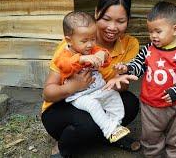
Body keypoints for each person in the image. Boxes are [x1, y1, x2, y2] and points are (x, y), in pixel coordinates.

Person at [41, 0, 140, 157]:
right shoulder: (71, 46)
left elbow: (122, 87)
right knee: (88, 123)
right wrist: (73, 86)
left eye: (120, 21)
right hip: (61, 106)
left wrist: (118, 82)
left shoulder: (130, 44)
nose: (112, 27)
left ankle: (105, 134)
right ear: (96, 13)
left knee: (130, 103)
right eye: (106, 19)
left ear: (128, 20)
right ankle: (64, 147)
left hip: (98, 94)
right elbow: (48, 94)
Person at [114, 1, 176, 157]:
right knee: (150, 137)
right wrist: (127, 68)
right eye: (150, 31)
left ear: (175, 29)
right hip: (150, 105)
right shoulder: (148, 49)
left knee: (175, 137)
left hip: (175, 106)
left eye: (158, 31)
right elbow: (139, 65)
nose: (153, 35)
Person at [52, 11, 130, 144]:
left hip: (99, 89)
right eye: (84, 41)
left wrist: (102, 55)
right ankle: (108, 129)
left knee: (114, 96)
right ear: (69, 39)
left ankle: (114, 126)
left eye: (93, 39)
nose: (90, 44)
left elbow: (104, 55)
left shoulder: (92, 49)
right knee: (93, 105)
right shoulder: (65, 54)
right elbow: (64, 65)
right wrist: (81, 59)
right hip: (80, 96)